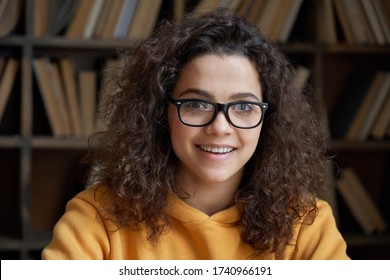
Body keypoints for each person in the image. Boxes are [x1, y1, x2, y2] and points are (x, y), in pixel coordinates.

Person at [42, 7, 349, 260]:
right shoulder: (97, 218)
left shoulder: (306, 224)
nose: (220, 127)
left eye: (243, 106)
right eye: (197, 103)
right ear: (162, 112)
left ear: (268, 120)